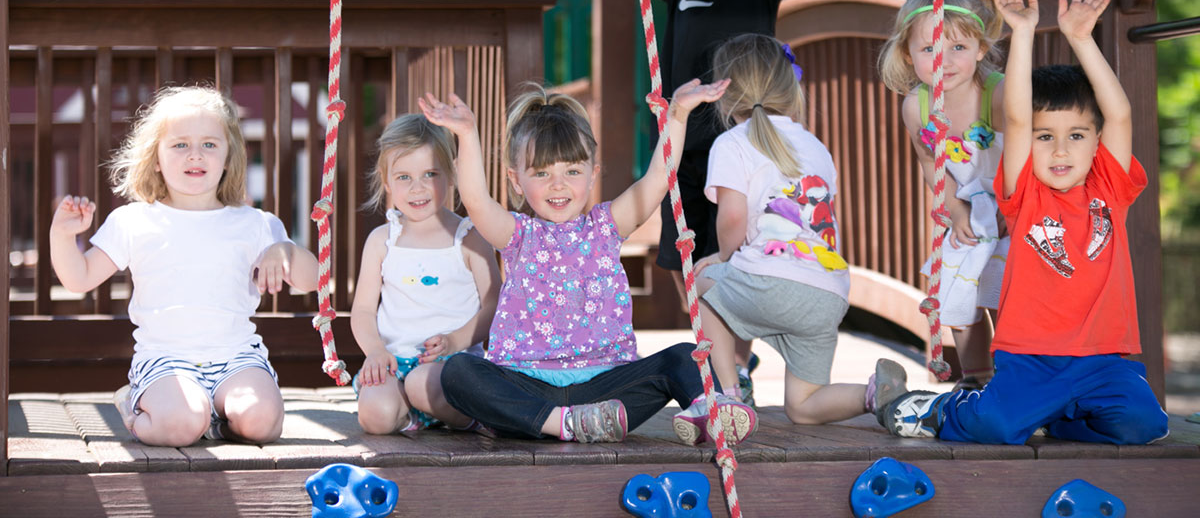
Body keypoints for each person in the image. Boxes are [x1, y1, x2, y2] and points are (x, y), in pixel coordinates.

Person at [881, 0, 1169, 445]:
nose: (1059, 150)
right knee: (996, 426)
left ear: (1096, 142)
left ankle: (1052, 414)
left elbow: (1119, 113)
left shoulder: (1110, 189)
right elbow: (1015, 118)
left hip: (1102, 360)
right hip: (1031, 357)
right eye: (1044, 137)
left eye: (1076, 135)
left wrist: (1081, 38)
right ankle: (940, 407)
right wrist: (1024, 32)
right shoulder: (1023, 195)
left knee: (1146, 425)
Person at [420, 82, 759, 445]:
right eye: (541, 173)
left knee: (683, 356)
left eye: (571, 171)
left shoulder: (606, 226)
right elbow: (475, 199)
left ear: (593, 173)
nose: (558, 185)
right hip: (530, 390)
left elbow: (658, 180)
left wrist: (677, 114)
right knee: (458, 371)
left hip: (607, 391)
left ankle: (709, 410)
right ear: (515, 181)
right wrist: (467, 134)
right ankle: (562, 424)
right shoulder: (517, 234)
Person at [621, 0, 817, 404]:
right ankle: (716, 350)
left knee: (745, 241)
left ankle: (738, 360)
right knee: (693, 250)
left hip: (747, 131)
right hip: (688, 133)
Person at [49, 85, 319, 447]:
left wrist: (284, 249)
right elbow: (79, 278)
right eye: (180, 145)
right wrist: (62, 237)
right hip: (166, 361)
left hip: (236, 357)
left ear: (228, 158)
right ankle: (138, 406)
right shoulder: (135, 220)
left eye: (210, 144)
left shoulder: (254, 224)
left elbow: (315, 279)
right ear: (156, 158)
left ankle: (217, 422)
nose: (196, 155)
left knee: (263, 423)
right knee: (178, 425)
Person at [692, 33, 909, 427]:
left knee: (703, 284)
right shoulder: (814, 145)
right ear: (791, 88)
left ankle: (727, 396)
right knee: (804, 407)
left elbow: (733, 219)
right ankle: (872, 393)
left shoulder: (731, 143)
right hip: (828, 293)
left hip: (770, 284)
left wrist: (721, 258)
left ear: (724, 95)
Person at [877, 0, 1010, 389]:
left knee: (1006, 291)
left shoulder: (997, 93)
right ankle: (976, 376)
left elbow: (1019, 155)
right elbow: (930, 165)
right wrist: (954, 210)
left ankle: (1015, 373)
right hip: (966, 205)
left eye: (958, 47)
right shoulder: (916, 106)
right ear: (907, 54)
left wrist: (1010, 205)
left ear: (981, 48)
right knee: (957, 289)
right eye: (929, 47)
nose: (944, 60)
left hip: (1012, 199)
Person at [349, 114, 501, 434]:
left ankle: (474, 418)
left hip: (453, 366)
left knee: (422, 384)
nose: (417, 188)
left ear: (450, 174)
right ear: (387, 181)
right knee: (375, 414)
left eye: (430, 174)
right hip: (395, 362)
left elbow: (494, 304)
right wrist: (376, 351)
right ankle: (411, 418)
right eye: (404, 177)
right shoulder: (382, 240)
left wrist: (455, 340)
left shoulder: (470, 237)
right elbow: (362, 309)